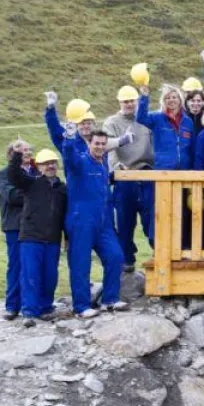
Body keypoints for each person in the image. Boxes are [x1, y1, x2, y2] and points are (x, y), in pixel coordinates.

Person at [59, 125, 127, 317]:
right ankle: (80, 307)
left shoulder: (102, 163)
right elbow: (69, 156)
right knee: (80, 263)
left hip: (103, 222)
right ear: (90, 143)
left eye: (103, 144)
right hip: (81, 221)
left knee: (115, 256)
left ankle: (110, 300)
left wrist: (115, 175)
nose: (99, 147)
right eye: (96, 143)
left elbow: (101, 185)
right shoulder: (80, 162)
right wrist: (70, 138)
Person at [7, 146, 67, 326]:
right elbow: (13, 175)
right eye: (46, 163)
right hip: (30, 238)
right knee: (30, 275)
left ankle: (46, 308)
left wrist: (67, 238)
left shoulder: (63, 189)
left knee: (50, 276)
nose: (50, 166)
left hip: (53, 239)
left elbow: (65, 215)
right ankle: (29, 312)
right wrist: (17, 154)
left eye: (53, 163)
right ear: (38, 167)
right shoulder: (31, 183)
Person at [105, 85, 153, 272]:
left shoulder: (147, 118)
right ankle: (127, 260)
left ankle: (158, 253)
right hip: (125, 176)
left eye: (132, 100)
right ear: (119, 102)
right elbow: (109, 146)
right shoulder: (112, 122)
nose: (129, 104)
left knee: (152, 218)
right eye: (125, 101)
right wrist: (117, 166)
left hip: (148, 173)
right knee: (125, 221)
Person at [0, 138, 33, 320]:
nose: (26, 153)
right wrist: (36, 194)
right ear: (11, 154)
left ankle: (31, 304)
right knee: (16, 265)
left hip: (35, 226)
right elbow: (12, 196)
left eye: (28, 150)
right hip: (15, 226)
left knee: (32, 266)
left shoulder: (35, 172)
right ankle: (12, 306)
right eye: (21, 150)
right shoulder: (4, 174)